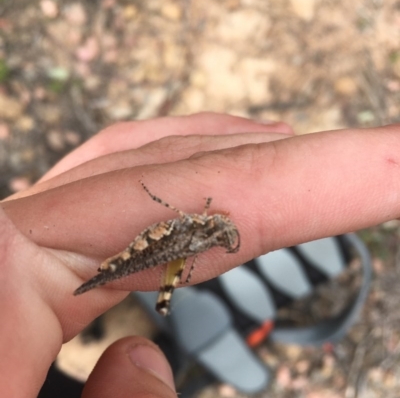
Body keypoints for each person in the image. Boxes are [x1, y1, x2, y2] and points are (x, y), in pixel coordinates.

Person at [1, 112, 399, 397]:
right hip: (154, 245)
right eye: (223, 231)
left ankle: (166, 315)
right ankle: (154, 308)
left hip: (172, 248)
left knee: (165, 280)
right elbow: (170, 217)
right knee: (138, 259)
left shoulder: (204, 226)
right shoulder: (196, 221)